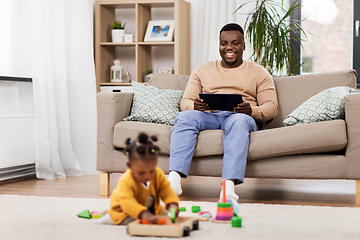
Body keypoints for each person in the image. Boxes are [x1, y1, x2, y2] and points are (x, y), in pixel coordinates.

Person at [167, 23, 279, 201]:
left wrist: (252, 110)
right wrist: (194, 106)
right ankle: (173, 179)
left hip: (240, 116)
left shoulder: (259, 72)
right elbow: (185, 101)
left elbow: (272, 107)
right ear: (219, 45)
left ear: (243, 45)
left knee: (239, 122)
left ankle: (228, 186)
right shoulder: (203, 69)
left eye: (235, 43)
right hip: (209, 115)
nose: (229, 48)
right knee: (185, 116)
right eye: (224, 43)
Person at [97, 132, 179, 225]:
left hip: (149, 208)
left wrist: (172, 203)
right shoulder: (126, 181)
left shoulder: (158, 174)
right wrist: (143, 213)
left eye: (151, 171)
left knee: (163, 216)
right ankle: (111, 217)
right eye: (141, 173)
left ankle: (149, 214)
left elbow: (166, 190)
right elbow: (128, 202)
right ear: (129, 166)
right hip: (125, 211)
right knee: (133, 221)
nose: (148, 176)